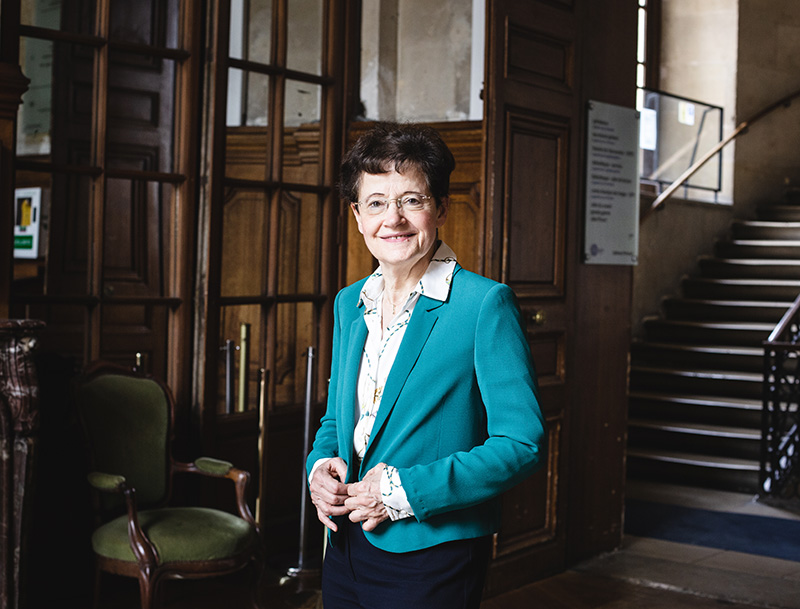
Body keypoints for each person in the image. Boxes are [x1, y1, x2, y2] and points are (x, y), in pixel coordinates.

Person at [306, 122, 546, 609]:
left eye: (411, 200)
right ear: (356, 215)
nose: (392, 219)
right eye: (375, 203)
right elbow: (338, 419)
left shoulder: (483, 304)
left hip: (431, 552)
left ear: (440, 208)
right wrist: (318, 469)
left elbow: (521, 444)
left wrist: (402, 492)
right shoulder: (349, 304)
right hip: (344, 546)